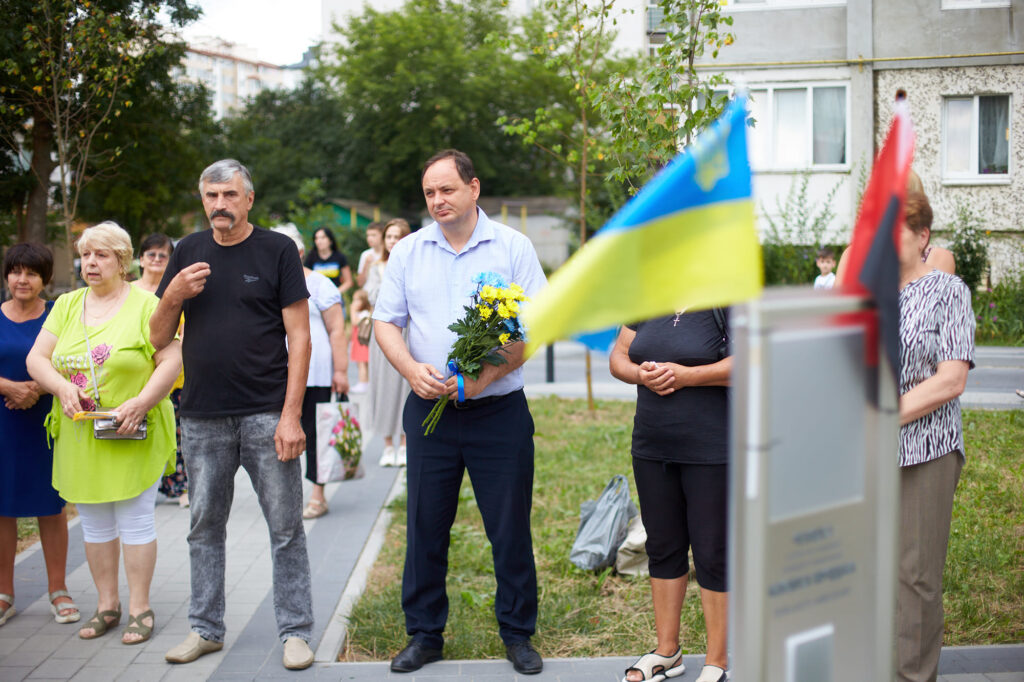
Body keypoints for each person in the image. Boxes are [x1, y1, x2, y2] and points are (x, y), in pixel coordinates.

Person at [373, 149, 547, 675]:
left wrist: (483, 377)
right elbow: (386, 322)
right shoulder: (408, 251)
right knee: (425, 525)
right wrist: (410, 370)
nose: (437, 200)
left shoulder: (512, 246)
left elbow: (534, 325)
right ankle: (425, 634)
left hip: (499, 413)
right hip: (430, 412)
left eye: (446, 189)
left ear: (474, 188)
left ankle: (517, 634)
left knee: (509, 526)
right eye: (429, 192)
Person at [150, 159, 315, 671]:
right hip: (201, 416)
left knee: (285, 527)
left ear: (248, 199)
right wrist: (174, 293)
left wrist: (292, 417)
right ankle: (205, 628)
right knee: (204, 527)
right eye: (211, 196)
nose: (219, 205)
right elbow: (157, 337)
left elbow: (301, 336)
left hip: (267, 413)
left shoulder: (277, 250)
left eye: (229, 195)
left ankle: (295, 632)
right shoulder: (188, 251)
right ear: (203, 200)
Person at [26, 222, 180, 645]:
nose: (90, 263)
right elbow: (37, 359)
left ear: (122, 260)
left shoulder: (148, 304)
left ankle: (139, 609)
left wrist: (142, 402)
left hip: (133, 427)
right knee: (94, 523)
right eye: (86, 255)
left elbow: (171, 359)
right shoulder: (67, 304)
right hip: (82, 432)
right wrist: (60, 387)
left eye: (101, 255)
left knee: (133, 518)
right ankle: (107, 605)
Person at [609, 309, 732, 682]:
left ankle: (717, 661)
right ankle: (668, 652)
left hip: (712, 447)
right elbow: (619, 356)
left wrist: (688, 376)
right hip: (652, 444)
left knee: (712, 551)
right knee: (662, 546)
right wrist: (639, 374)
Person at [896, 192, 974, 682]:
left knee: (916, 578)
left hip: (927, 450)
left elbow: (951, 379)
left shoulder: (948, 291)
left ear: (922, 236)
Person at [0, 243, 79, 628]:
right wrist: (7, 387)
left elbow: (74, 365)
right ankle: (4, 594)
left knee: (52, 506)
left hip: (48, 425)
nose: (22, 279)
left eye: (31, 273)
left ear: (44, 278)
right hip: (4, 426)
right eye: (15, 271)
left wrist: (37, 387)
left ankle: (59, 590)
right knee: (3, 509)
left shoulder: (59, 316)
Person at [272, 224, 350, 519]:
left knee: (317, 433)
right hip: (277, 373)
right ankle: (284, 497)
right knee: (279, 433)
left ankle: (318, 495)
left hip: (316, 372)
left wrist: (340, 371)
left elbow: (337, 330)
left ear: (301, 252)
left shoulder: (319, 284)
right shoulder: (268, 283)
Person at [134, 233, 189, 508]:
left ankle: (180, 488)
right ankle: (142, 486)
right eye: (151, 254)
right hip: (136, 377)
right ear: (140, 259)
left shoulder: (174, 292)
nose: (156, 260)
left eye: (162, 255)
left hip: (173, 378)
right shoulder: (128, 292)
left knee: (176, 434)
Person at [366, 218, 411, 467]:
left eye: (397, 237)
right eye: (389, 237)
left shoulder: (413, 265)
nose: (392, 241)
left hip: (404, 332)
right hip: (382, 331)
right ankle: (386, 444)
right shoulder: (377, 266)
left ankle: (404, 442)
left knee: (404, 385)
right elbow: (372, 296)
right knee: (382, 386)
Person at [304, 227, 353, 294]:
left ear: (330, 240)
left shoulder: (340, 257)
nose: (319, 241)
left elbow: (348, 282)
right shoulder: (310, 258)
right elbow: (305, 280)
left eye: (323, 237)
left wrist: (336, 293)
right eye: (316, 238)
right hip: (316, 297)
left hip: (335, 297)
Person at [349, 288, 372, 393]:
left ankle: (363, 383)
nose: (354, 303)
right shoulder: (363, 313)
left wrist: (352, 310)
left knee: (362, 363)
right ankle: (363, 382)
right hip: (357, 341)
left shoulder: (364, 314)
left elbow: (354, 322)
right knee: (360, 363)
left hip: (361, 342)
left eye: (357, 300)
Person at [356, 222, 384, 288]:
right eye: (368, 235)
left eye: (373, 235)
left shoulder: (390, 254)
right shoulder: (365, 254)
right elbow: (360, 283)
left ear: (383, 235)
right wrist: (366, 264)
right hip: (368, 295)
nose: (369, 238)